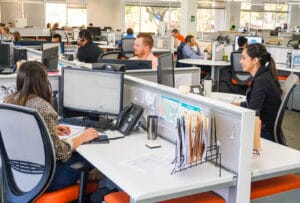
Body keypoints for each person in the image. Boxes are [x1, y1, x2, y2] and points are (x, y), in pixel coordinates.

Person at [4, 61, 100, 191]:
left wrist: (49, 129)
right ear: (44, 82)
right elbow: (59, 152)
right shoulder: (43, 108)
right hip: (47, 180)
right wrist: (81, 138)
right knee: (90, 155)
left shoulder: (10, 101)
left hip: (20, 177)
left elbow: (22, 131)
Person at [235, 43, 282, 142]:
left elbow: (253, 113)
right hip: (265, 127)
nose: (240, 61)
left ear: (255, 60)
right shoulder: (263, 75)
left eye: (243, 58)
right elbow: (255, 104)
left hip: (263, 133)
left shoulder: (261, 81)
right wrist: (237, 104)